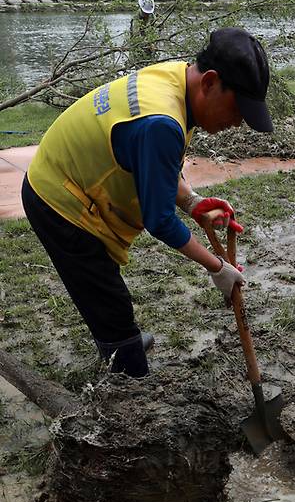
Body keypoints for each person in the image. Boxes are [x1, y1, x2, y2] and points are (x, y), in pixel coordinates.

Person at [22, 27, 273, 378]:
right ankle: (126, 372)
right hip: (58, 199)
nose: (237, 123)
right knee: (109, 302)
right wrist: (218, 268)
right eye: (237, 110)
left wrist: (193, 202)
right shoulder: (160, 122)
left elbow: (153, 165)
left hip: (66, 176)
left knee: (105, 295)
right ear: (211, 82)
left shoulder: (175, 78)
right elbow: (159, 220)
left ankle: (119, 342)